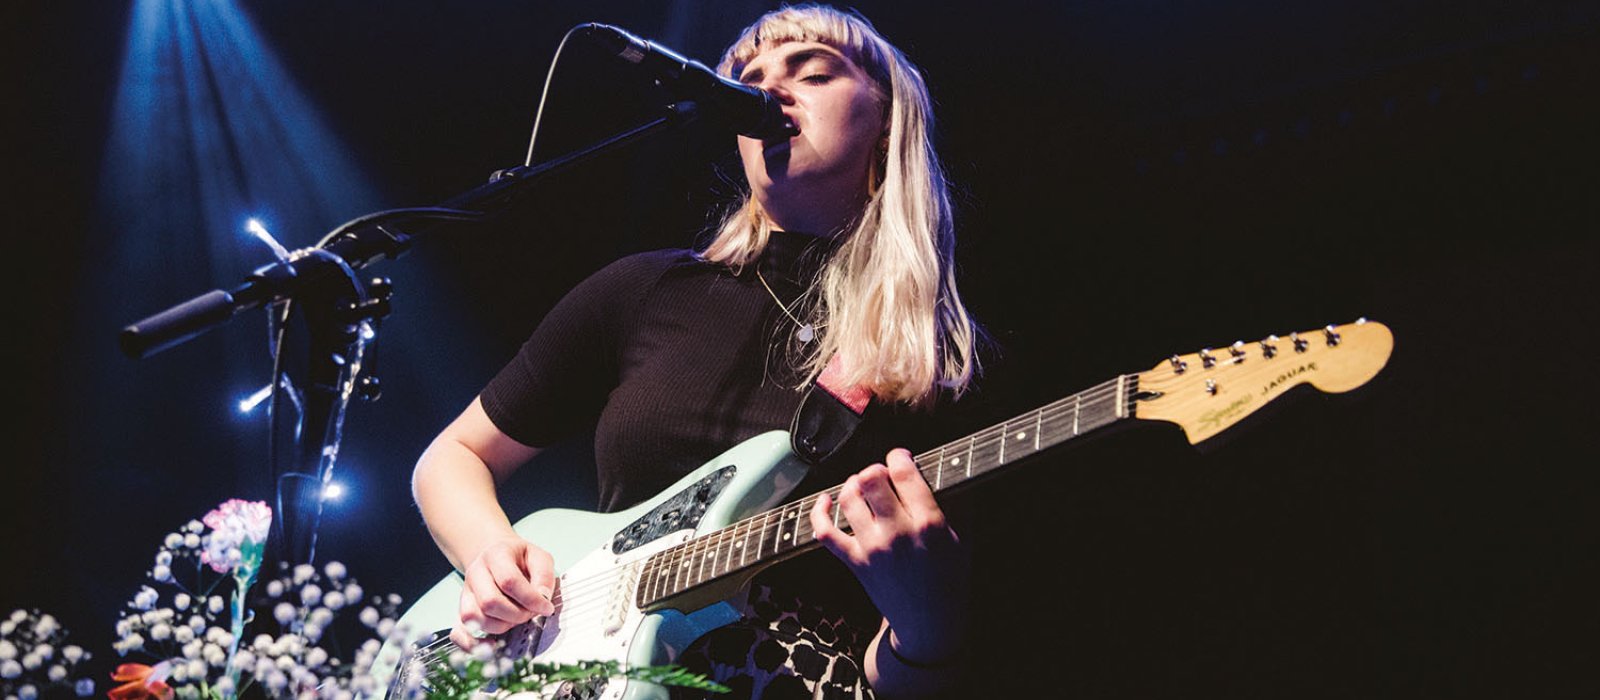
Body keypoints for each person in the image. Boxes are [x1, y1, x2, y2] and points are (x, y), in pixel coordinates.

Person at [411, 5, 985, 698]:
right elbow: (453, 456)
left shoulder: (937, 360)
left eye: (813, 72)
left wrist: (925, 628)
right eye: (749, 80)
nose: (771, 91)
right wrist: (489, 555)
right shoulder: (644, 291)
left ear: (886, 120)